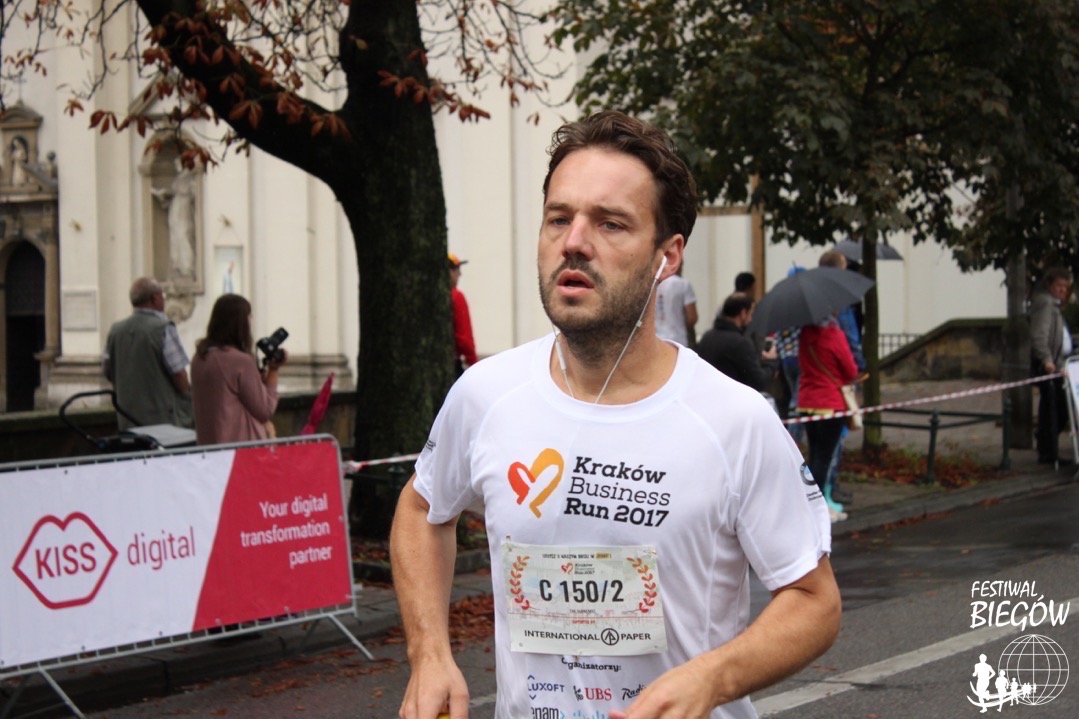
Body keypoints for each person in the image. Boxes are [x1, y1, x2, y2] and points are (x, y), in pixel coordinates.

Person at [391, 111, 840, 719]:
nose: (574, 241)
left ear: (667, 257)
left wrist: (712, 678)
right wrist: (428, 653)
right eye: (559, 218)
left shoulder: (733, 420)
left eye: (610, 223)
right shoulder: (486, 394)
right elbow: (422, 508)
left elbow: (814, 600)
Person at [190, 293, 286, 444]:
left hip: (209, 448)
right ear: (241, 323)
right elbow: (265, 410)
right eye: (249, 317)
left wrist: (257, 380)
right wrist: (273, 370)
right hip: (240, 449)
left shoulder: (199, 358)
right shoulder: (240, 361)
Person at [102, 277, 192, 430]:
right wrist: (187, 398)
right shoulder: (163, 328)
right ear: (154, 298)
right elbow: (179, 373)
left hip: (127, 418)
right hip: (162, 420)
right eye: (163, 296)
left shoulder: (115, 331)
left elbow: (107, 370)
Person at [797, 312, 858, 523]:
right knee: (824, 459)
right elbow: (851, 370)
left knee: (814, 456)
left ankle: (807, 502)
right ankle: (818, 507)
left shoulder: (805, 334)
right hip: (830, 403)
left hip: (807, 402)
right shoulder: (834, 335)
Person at [1030, 266, 1073, 464]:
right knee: (1055, 408)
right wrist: (1046, 359)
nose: (1063, 290)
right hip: (1051, 366)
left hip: (1060, 363)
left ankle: (1048, 447)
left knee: (1056, 408)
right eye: (1059, 286)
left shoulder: (1055, 305)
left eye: (1065, 286)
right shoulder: (1045, 303)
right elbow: (1040, 335)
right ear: (1049, 285)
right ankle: (1047, 450)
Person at [697, 293, 777, 392]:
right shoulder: (739, 343)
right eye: (751, 314)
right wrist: (771, 362)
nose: (751, 320)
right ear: (743, 314)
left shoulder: (706, 337)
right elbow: (759, 382)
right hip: (731, 396)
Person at [449, 253, 478, 377]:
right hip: (452, 366)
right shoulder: (456, 296)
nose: (460, 274)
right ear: (450, 271)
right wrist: (474, 363)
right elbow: (464, 339)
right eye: (457, 269)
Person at [653, 266, 698, 346]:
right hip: (678, 339)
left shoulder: (653, 284)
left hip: (656, 339)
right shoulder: (683, 284)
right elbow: (692, 318)